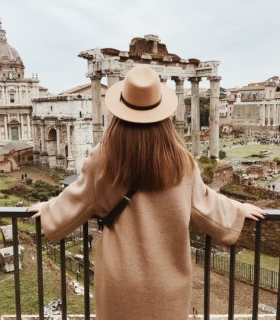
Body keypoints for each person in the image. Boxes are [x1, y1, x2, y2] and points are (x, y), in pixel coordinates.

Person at [28, 65, 265, 320]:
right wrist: (238, 210)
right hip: (167, 283)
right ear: (162, 113)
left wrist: (48, 209)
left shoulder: (103, 158)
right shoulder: (180, 161)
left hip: (119, 281)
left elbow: (77, 199)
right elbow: (204, 203)